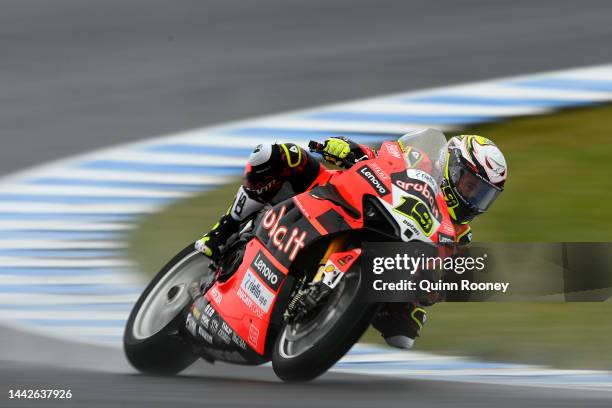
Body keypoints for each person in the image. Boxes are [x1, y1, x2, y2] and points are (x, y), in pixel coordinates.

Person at [195, 131, 508, 349]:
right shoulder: (420, 160)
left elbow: (440, 279)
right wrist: (349, 149)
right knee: (275, 156)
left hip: (385, 253)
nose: (473, 200)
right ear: (451, 167)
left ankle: (330, 310)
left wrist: (429, 290)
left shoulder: (458, 234)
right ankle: (223, 230)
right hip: (342, 197)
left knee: (405, 332)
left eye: (483, 196)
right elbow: (384, 158)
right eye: (470, 186)